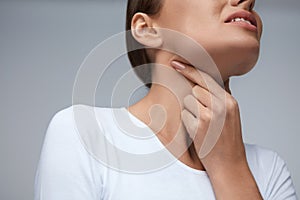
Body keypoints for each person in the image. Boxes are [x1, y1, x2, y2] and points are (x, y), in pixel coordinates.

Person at [34, 0, 298, 199]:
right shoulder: (84, 134)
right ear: (146, 29)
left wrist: (231, 170)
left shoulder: (269, 168)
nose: (248, 1)